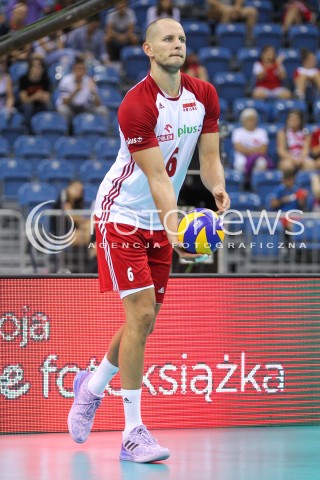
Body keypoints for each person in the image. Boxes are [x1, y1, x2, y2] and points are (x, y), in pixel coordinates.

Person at [67, 18, 230, 463]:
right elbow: (158, 177)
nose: (178, 43)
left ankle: (92, 384)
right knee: (139, 315)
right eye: (168, 39)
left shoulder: (204, 96)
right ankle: (132, 433)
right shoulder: (136, 104)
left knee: (146, 322)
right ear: (148, 50)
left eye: (182, 37)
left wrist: (216, 190)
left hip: (161, 218)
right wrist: (175, 226)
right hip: (121, 215)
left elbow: (210, 159)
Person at [55, 56, 108, 128]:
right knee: (62, 109)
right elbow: (64, 102)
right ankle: (65, 136)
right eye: (78, 69)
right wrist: (76, 91)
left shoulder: (89, 81)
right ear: (73, 70)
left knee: (102, 110)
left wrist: (93, 91)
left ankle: (103, 135)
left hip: (85, 108)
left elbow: (98, 104)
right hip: (70, 108)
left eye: (83, 69)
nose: (80, 71)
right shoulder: (66, 80)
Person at [231, 108, 273, 180]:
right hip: (242, 156)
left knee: (261, 163)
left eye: (252, 119)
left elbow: (263, 149)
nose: (251, 122)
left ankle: (256, 184)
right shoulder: (237, 132)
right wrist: (254, 150)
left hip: (258, 156)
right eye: (248, 119)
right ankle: (243, 184)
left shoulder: (262, 132)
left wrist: (249, 151)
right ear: (243, 120)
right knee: (240, 164)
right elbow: (238, 148)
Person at [18, 54, 51, 127]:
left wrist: (42, 97)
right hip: (26, 106)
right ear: (30, 68)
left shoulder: (45, 80)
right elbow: (24, 100)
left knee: (48, 108)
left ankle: (45, 129)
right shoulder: (23, 79)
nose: (37, 70)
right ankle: (26, 129)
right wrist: (35, 96)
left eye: (39, 67)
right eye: (34, 67)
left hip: (40, 105)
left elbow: (47, 100)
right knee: (28, 107)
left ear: (42, 69)